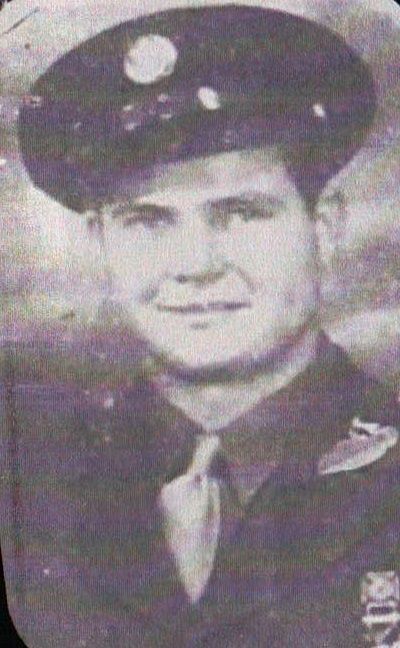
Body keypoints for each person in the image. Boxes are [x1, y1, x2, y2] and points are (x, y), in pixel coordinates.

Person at [4, 5, 400, 647]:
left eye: (240, 213)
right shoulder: (33, 489)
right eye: (148, 222)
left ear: (324, 228)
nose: (195, 266)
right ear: (100, 244)